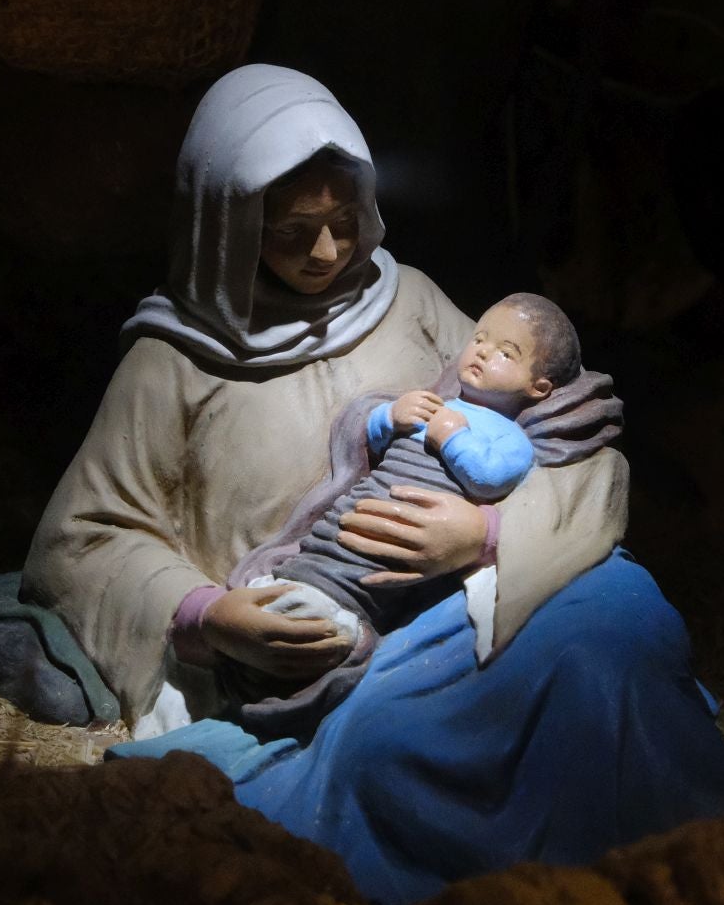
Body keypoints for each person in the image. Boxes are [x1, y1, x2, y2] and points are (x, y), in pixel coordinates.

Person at [21, 63, 724, 905]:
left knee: (624, 632)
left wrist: (486, 538)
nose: (326, 252)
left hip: (484, 591)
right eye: (291, 231)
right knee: (391, 747)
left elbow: (563, 431)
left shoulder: (409, 300)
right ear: (225, 224)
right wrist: (208, 616)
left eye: (344, 222)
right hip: (347, 639)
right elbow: (82, 540)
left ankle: (696, 871)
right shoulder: (173, 364)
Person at [222, 291, 616, 736]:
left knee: (360, 580)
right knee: (328, 546)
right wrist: (389, 416)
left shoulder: (510, 437)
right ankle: (286, 597)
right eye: (480, 339)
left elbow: (492, 478)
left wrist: (452, 438)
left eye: (505, 353)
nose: (483, 353)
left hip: (398, 550)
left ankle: (331, 629)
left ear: (538, 388)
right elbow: (370, 444)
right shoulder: (438, 401)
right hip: (356, 515)